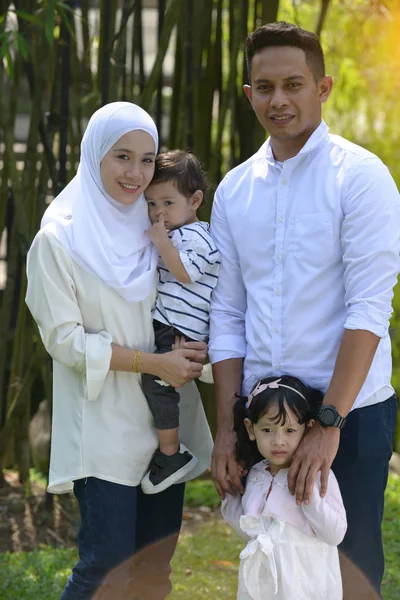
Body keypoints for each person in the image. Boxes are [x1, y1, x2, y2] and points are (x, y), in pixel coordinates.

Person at [209, 21, 400, 596]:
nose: (279, 100)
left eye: (294, 83)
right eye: (264, 87)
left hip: (349, 414)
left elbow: (369, 309)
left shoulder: (361, 178)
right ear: (249, 95)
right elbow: (227, 316)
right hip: (265, 418)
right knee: (276, 569)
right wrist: (226, 429)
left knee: (350, 566)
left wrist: (329, 423)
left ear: (324, 87)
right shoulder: (234, 190)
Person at [25, 102, 213, 600]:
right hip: (102, 428)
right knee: (106, 569)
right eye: (122, 157)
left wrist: (199, 358)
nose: (136, 174)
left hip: (162, 429)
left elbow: (194, 303)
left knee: (154, 571)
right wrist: (156, 363)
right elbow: (64, 342)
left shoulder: (157, 226)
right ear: (93, 155)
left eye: (147, 160)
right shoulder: (59, 238)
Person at [222, 375, 347, 600]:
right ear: (251, 429)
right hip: (262, 586)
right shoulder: (256, 475)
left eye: (289, 431)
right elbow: (250, 533)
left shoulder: (318, 476)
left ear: (307, 429)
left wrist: (310, 498)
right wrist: (230, 499)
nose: (278, 441)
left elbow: (335, 534)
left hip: (305, 585)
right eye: (268, 430)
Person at [141, 150, 220, 494]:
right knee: (156, 386)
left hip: (180, 329)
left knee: (157, 386)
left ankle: (171, 453)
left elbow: (186, 273)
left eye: (168, 203)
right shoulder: (174, 234)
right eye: (151, 203)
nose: (158, 212)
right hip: (170, 323)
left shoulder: (199, 236)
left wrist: (160, 242)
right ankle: (168, 449)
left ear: (195, 200)